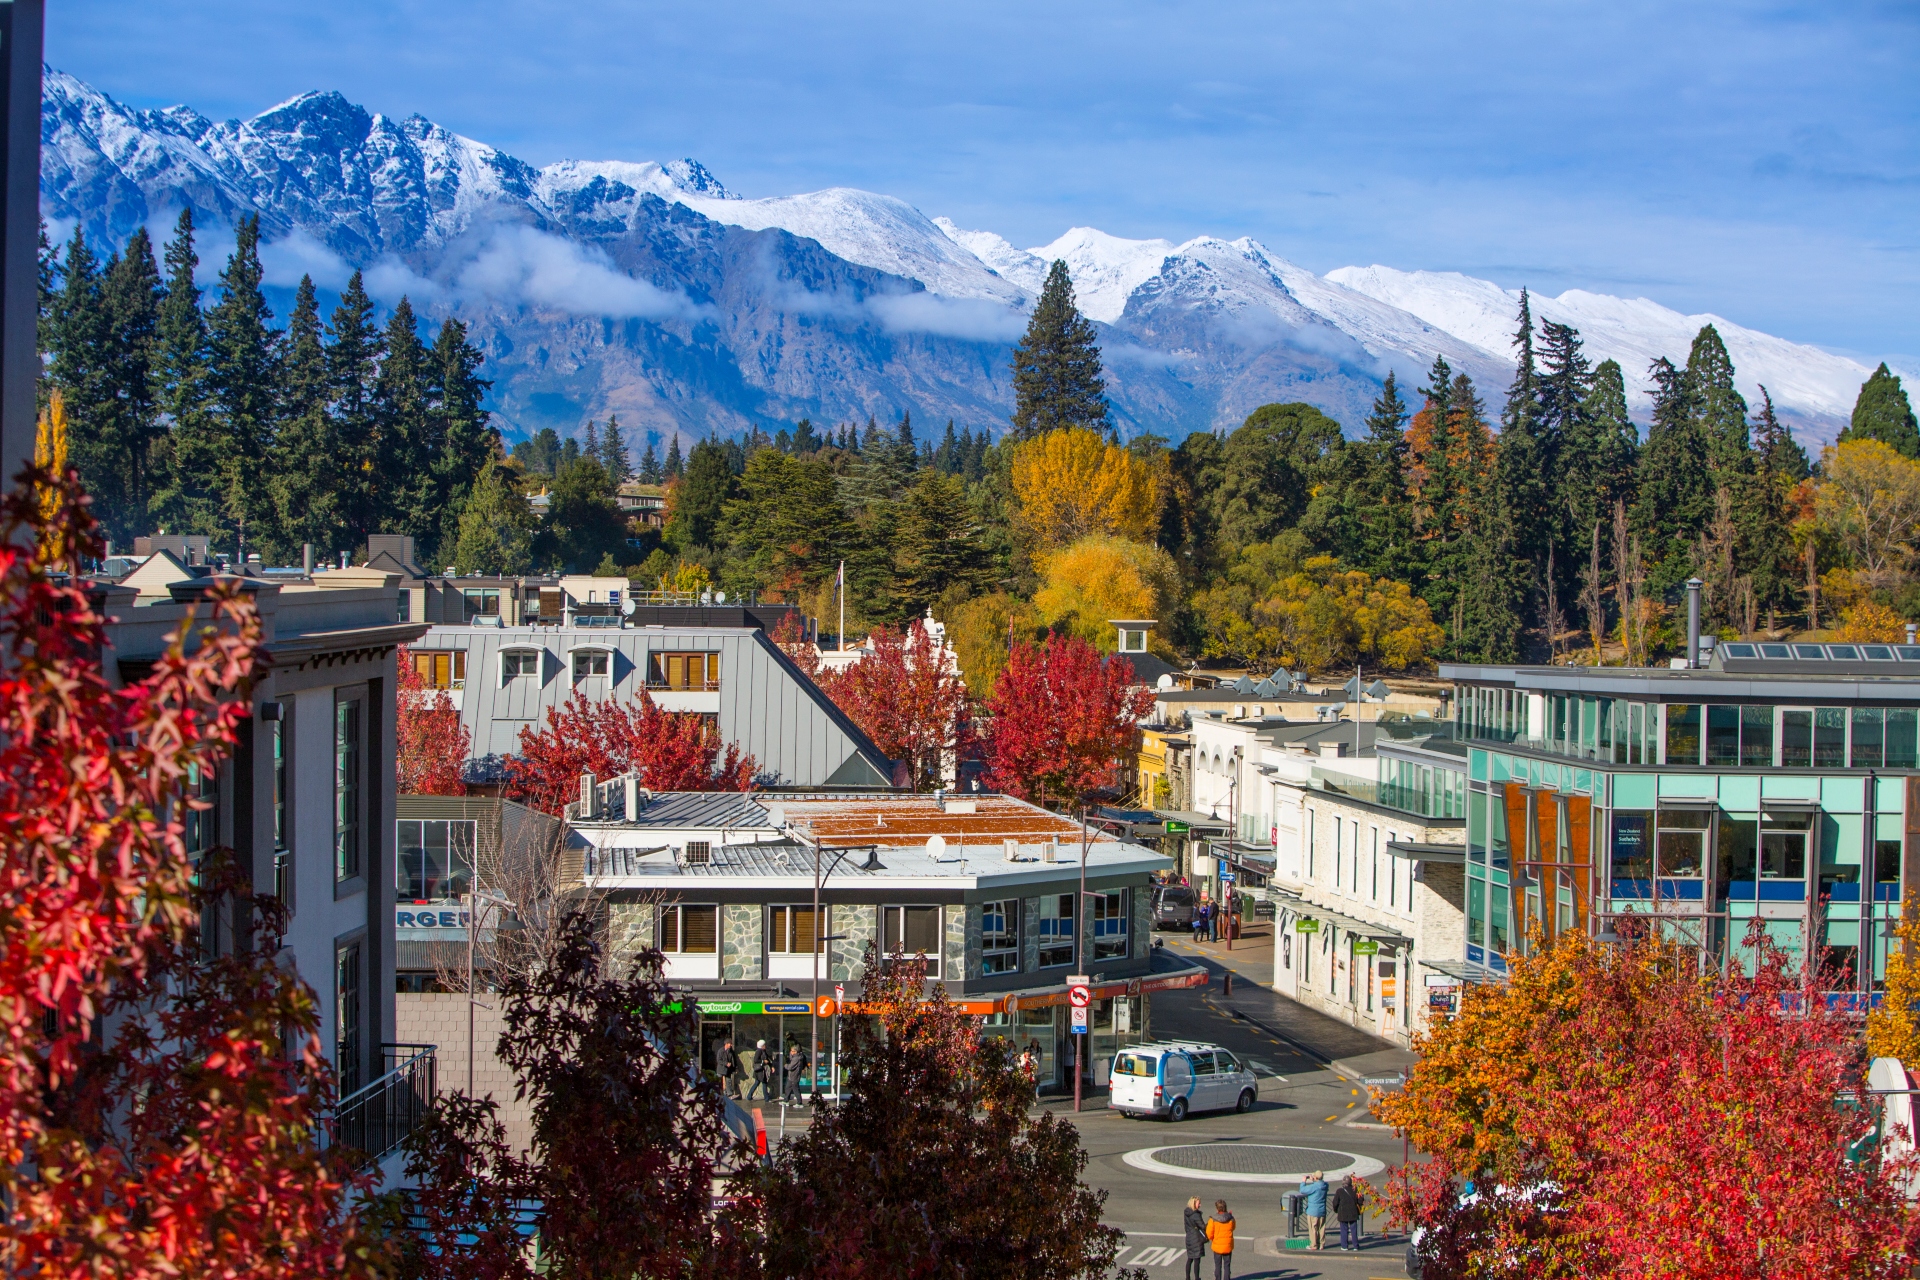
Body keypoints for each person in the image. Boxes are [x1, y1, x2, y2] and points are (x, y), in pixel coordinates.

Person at [1204, 1199, 1235, 1280]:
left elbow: (1209, 1233)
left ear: (1217, 1208)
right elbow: (1233, 1227)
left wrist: (1213, 1239)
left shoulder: (1213, 1219)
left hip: (1217, 1246)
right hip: (1227, 1246)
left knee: (1218, 1266)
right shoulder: (1230, 1218)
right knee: (1227, 1266)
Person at [1332, 1176, 1363, 1251]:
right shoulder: (1355, 1190)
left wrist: (1336, 1210)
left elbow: (1335, 1202)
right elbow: (1360, 1200)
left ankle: (1344, 1246)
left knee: (1344, 1230)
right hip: (1353, 1212)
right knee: (1354, 1230)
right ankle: (1355, 1245)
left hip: (1343, 1213)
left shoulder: (1339, 1191)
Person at [1300, 1170, 1328, 1250]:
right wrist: (1315, 1180)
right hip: (1322, 1210)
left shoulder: (1313, 1187)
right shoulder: (1325, 1185)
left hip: (1313, 1211)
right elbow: (1321, 1183)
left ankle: (1314, 1245)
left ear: (1315, 1177)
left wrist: (1303, 1181)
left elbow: (1302, 1190)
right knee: (1321, 1228)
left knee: (1313, 1228)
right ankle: (1321, 1244)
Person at [1182, 1196, 1207, 1280]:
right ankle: (1196, 1278)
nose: (1200, 1204)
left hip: (1189, 1237)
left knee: (1190, 1259)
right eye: (1198, 1203)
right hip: (1196, 1239)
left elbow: (1186, 1226)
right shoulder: (1196, 1215)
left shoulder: (1187, 1212)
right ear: (1194, 1203)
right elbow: (1203, 1226)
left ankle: (1187, 1278)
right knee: (1197, 1260)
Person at [783, 1040, 807, 1105]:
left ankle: (799, 1103)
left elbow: (790, 1066)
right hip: (791, 1076)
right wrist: (791, 1054)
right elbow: (791, 1059)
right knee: (788, 1087)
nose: (791, 1052)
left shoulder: (797, 1058)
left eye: (792, 1051)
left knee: (795, 1089)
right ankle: (786, 1100)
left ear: (796, 1052)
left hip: (794, 1076)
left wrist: (785, 1065)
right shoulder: (794, 1057)